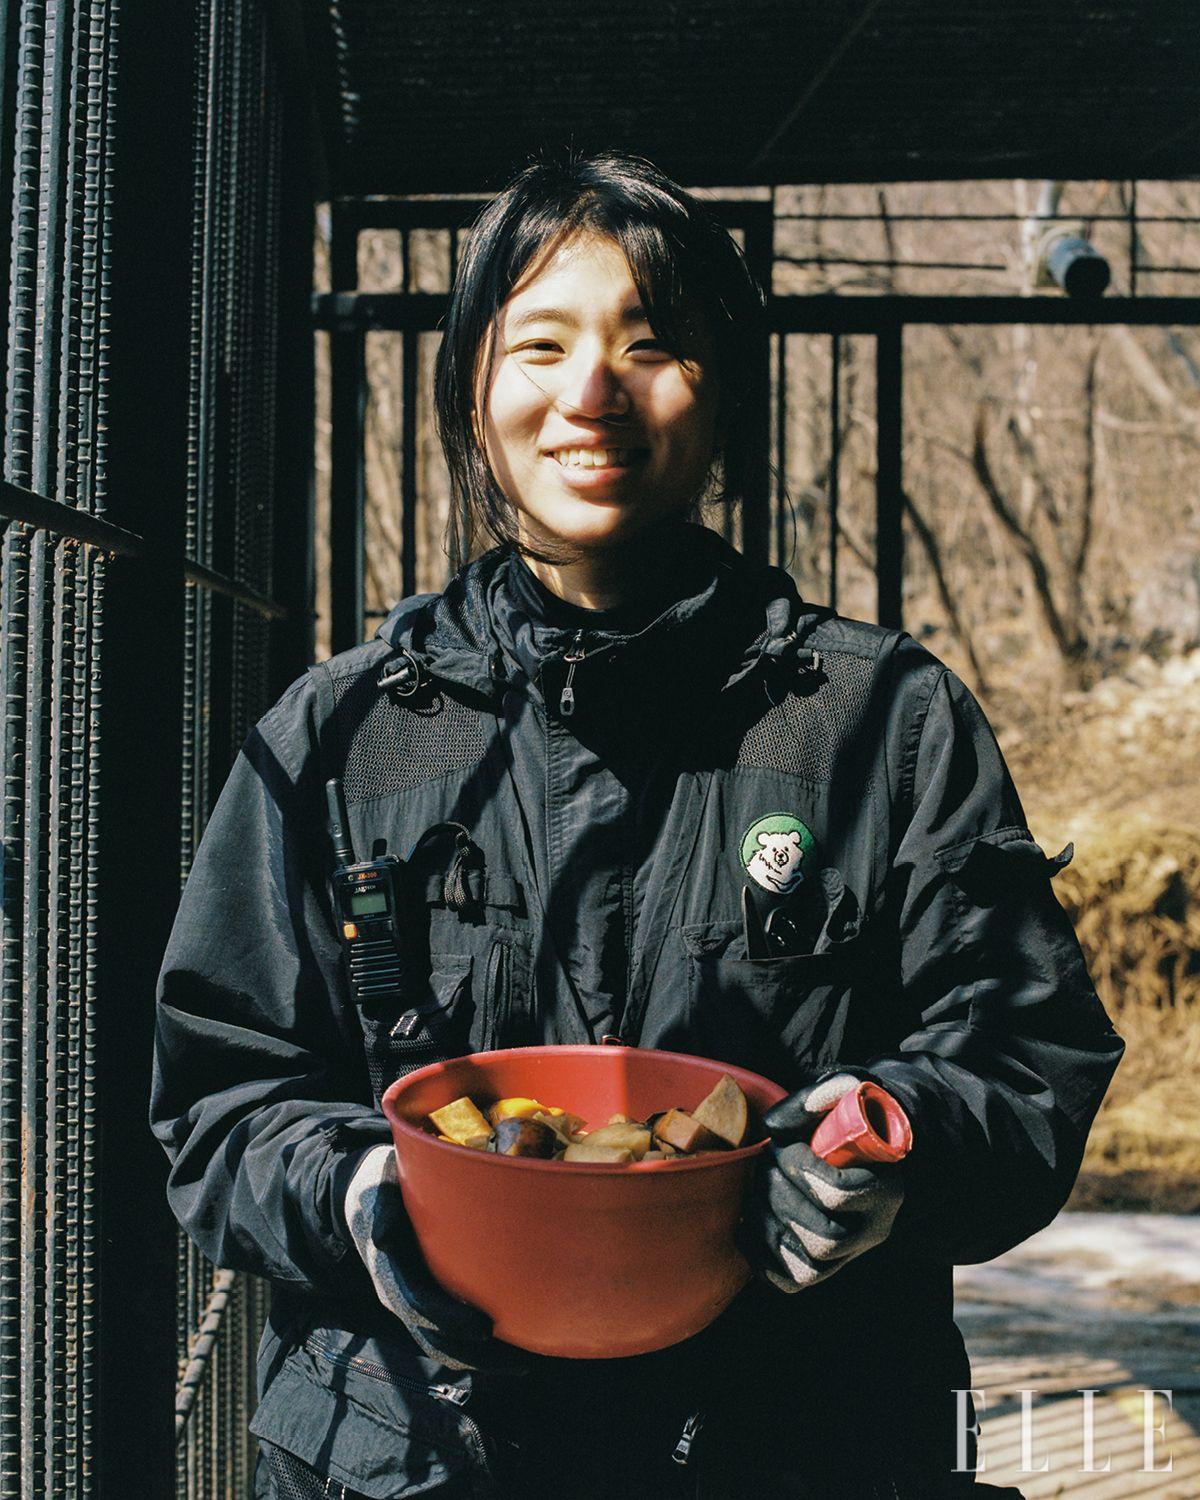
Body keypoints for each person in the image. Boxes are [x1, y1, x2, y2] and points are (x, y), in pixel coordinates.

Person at [151, 151, 1124, 1500]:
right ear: (471, 394)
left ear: (720, 390)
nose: (591, 393)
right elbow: (221, 1094)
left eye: (651, 343)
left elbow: (1025, 1048)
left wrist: (896, 1143)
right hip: (412, 1449)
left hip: (799, 1442)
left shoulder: (880, 718)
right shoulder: (341, 734)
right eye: (540, 344)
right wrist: (358, 1199)